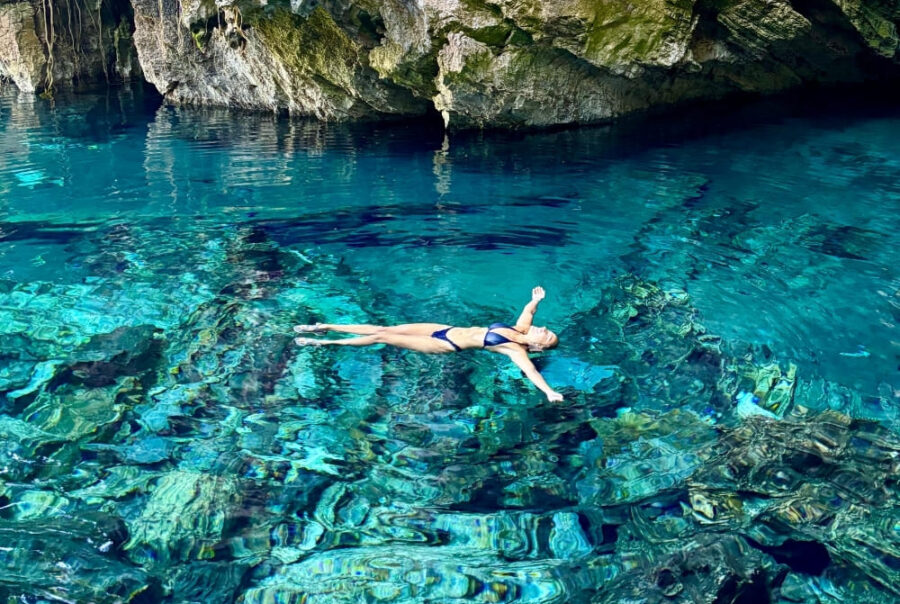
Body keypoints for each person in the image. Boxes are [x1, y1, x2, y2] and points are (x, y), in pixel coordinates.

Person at [294, 286, 563, 402]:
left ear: (538, 347)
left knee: (381, 338)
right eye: (549, 330)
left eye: (547, 336)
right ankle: (324, 326)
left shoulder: (515, 349)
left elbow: (532, 373)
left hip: (445, 346)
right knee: (382, 328)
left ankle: (327, 342)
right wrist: (536, 300)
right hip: (444, 329)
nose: (545, 330)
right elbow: (529, 312)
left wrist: (549, 392)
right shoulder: (521, 329)